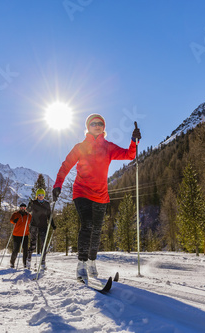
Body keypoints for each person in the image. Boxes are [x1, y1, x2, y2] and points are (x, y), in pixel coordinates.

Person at [52, 113, 141, 281]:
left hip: (101, 195)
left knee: (97, 230)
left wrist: (133, 141)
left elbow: (129, 155)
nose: (97, 125)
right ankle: (82, 264)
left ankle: (92, 262)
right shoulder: (80, 147)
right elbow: (65, 166)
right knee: (87, 225)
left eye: (100, 123)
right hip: (82, 192)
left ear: (103, 127)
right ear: (88, 127)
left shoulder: (108, 147)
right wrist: (58, 184)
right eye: (93, 123)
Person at [27, 188, 56, 270]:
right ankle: (28, 259)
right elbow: (28, 210)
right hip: (34, 225)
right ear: (37, 195)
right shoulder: (33, 202)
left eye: (42, 195)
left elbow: (49, 216)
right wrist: (29, 205)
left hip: (43, 226)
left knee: (44, 244)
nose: (40, 196)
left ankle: (43, 262)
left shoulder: (47, 204)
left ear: (44, 195)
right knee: (33, 244)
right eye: (39, 195)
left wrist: (53, 225)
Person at [9, 203, 32, 269]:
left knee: (25, 250)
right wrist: (14, 221)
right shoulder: (15, 214)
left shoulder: (28, 215)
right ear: (20, 208)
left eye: (24, 208)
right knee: (16, 250)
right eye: (21, 207)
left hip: (25, 234)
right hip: (16, 234)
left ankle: (25, 263)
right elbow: (11, 220)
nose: (22, 209)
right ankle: (12, 263)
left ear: (25, 208)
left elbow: (31, 222)